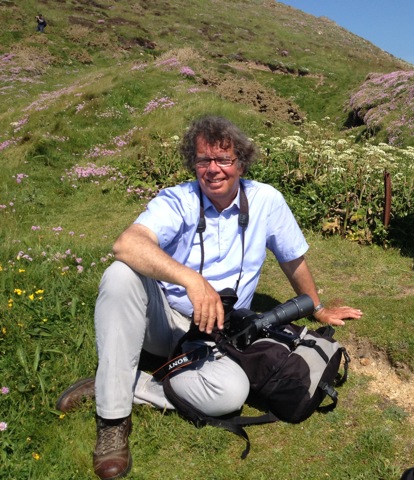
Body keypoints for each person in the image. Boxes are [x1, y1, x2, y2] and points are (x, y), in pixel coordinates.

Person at [55, 115, 362, 479]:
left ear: (241, 163)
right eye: (203, 160)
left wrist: (318, 307)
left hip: (218, 334)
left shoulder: (266, 201)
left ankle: (124, 381)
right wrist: (192, 281)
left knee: (230, 395)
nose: (213, 169)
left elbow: (292, 258)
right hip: (164, 320)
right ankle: (113, 419)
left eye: (224, 160)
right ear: (193, 164)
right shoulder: (178, 199)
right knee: (120, 274)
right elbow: (127, 243)